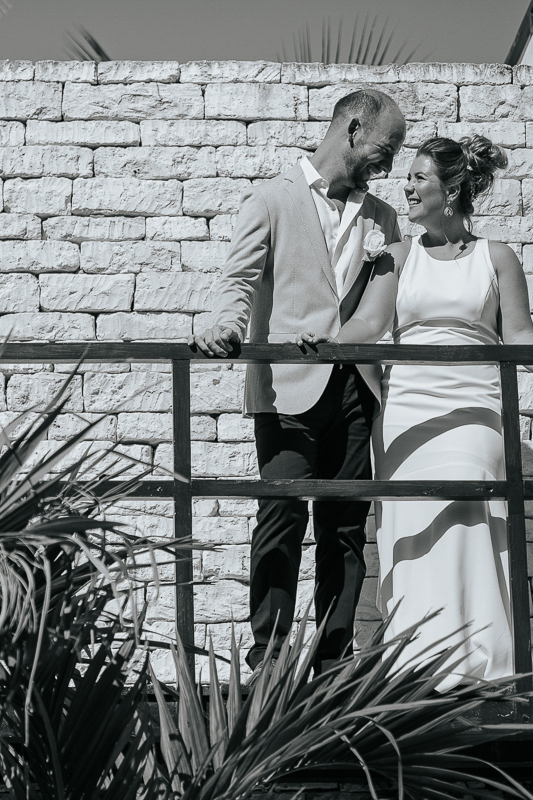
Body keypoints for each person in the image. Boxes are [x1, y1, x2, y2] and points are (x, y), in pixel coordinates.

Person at [297, 135, 533, 690]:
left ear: (452, 190)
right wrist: (328, 337)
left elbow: (521, 337)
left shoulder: (498, 258)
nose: (406, 186)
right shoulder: (395, 255)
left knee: (470, 513)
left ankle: (483, 667)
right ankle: (416, 668)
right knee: (411, 529)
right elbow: (368, 326)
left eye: (418, 178)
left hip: (473, 409)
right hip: (409, 414)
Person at [191, 89, 407, 676]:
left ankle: (334, 664)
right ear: (354, 129)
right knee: (281, 516)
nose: (389, 164)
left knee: (345, 529)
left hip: (356, 387)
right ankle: (270, 659)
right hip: (286, 385)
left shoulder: (383, 219)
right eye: (386, 149)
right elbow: (238, 278)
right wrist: (223, 326)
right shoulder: (270, 198)